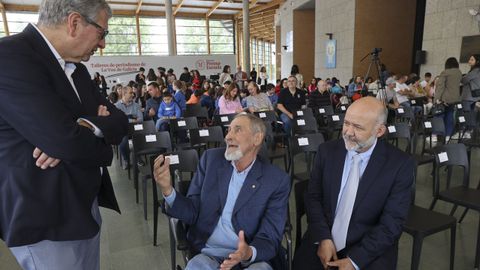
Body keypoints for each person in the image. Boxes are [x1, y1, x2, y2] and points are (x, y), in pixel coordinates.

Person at [0, 0, 129, 268]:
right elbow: (65, 142)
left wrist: (85, 127)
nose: (103, 43)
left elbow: (120, 121)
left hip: (85, 207)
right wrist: (91, 135)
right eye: (102, 33)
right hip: (46, 218)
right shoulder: (10, 56)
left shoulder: (77, 70)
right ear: (74, 23)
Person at [153, 113, 290, 270]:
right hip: (207, 253)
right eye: (228, 130)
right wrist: (168, 189)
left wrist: (248, 253)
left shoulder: (276, 180)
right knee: (197, 266)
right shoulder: (211, 160)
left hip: (251, 261)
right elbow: (192, 211)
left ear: (257, 138)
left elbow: (269, 236)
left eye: (237, 130)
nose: (228, 137)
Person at [292, 97, 414, 270]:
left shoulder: (399, 164)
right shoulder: (327, 151)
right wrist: (323, 238)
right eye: (346, 123)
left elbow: (392, 222)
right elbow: (313, 197)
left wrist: (355, 261)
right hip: (324, 235)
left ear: (379, 131)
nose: (348, 132)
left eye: (358, 127)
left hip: (369, 246)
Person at [115, 86, 143, 168]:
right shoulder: (116, 106)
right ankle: (126, 159)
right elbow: (118, 121)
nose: (133, 94)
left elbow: (140, 119)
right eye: (130, 93)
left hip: (135, 129)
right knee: (123, 142)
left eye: (132, 92)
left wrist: (126, 119)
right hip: (123, 131)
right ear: (124, 94)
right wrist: (132, 120)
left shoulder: (136, 105)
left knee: (140, 138)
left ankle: (138, 157)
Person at [435, 57, 462, 141]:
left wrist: (437, 99)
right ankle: (448, 135)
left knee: (438, 116)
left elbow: (440, 87)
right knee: (449, 116)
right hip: (454, 99)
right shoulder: (459, 72)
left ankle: (435, 135)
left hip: (444, 98)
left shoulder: (445, 72)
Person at [461, 54, 480, 138]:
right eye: (469, 59)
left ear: (477, 61)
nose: (469, 61)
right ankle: (469, 131)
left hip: (468, 96)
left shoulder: (476, 70)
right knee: (470, 114)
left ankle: (467, 132)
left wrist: (464, 77)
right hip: (473, 97)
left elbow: (464, 79)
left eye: (472, 59)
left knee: (466, 114)